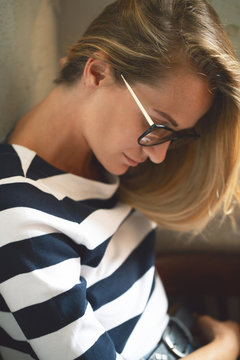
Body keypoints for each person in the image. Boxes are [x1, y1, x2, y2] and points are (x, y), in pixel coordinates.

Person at [0, 0, 240, 359]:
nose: (158, 154)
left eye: (175, 136)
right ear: (97, 73)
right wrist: (227, 346)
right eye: (158, 126)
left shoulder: (107, 158)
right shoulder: (21, 217)